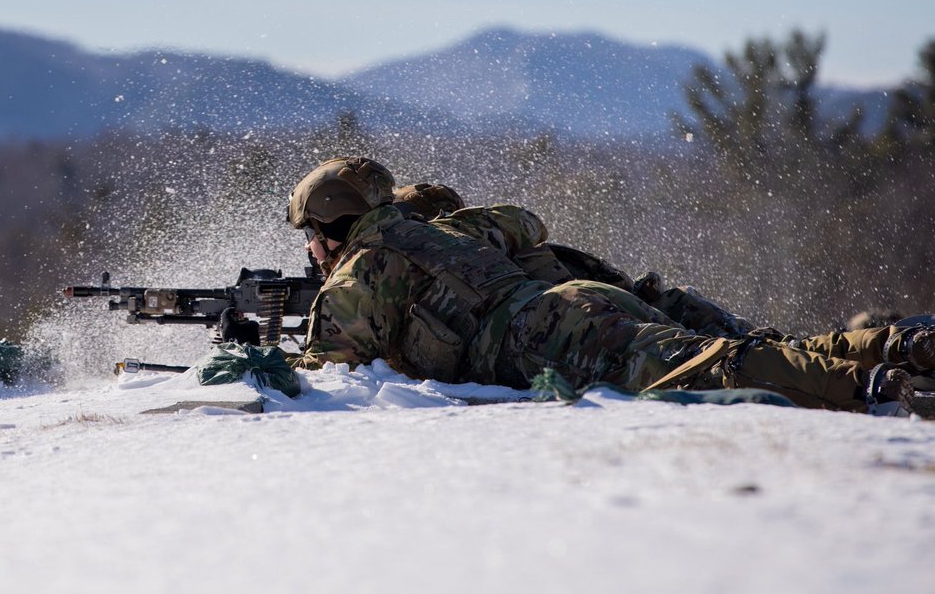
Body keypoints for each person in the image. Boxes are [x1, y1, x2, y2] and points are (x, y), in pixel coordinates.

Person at [285, 157, 934, 415]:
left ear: (330, 225)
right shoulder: (446, 234)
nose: (312, 251)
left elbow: (325, 377)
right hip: (572, 306)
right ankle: (896, 347)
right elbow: (526, 226)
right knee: (727, 350)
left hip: (548, 338)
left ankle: (877, 389)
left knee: (710, 365)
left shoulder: (365, 267)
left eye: (312, 235)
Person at [393, 182, 933, 376]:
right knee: (773, 351)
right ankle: (895, 346)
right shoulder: (525, 249)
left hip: (622, 323)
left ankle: (876, 379)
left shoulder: (467, 269)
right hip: (657, 303)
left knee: (733, 366)